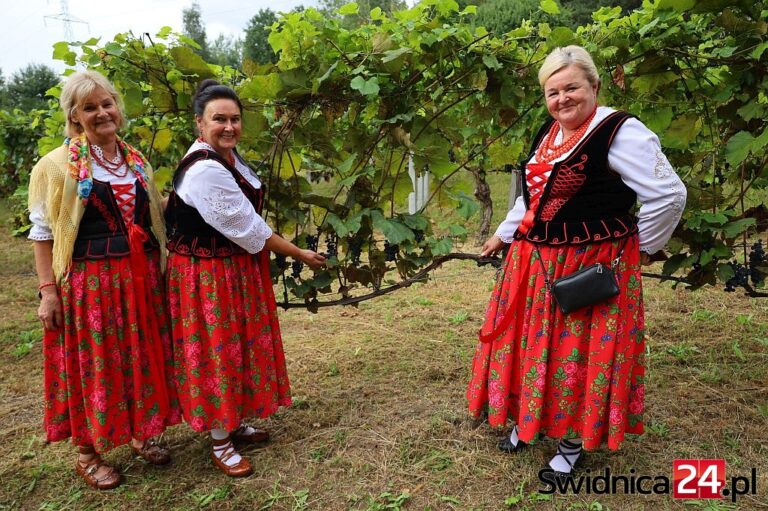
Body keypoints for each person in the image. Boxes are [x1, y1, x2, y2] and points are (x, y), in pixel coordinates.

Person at [467, 46, 686, 478]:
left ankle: (572, 440)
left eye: (571, 88)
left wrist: (643, 248)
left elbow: (670, 194)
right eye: (553, 92)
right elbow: (533, 198)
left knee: (578, 351)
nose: (562, 99)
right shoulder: (549, 132)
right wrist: (502, 234)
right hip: (533, 263)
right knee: (532, 344)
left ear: (594, 86)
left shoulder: (620, 131)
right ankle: (529, 421)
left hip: (588, 264)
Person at [28, 71, 181, 490]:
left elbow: (153, 213)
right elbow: (43, 235)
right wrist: (47, 292)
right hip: (91, 284)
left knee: (140, 355)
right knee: (95, 363)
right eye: (90, 108)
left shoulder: (135, 160)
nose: (101, 113)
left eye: (107, 103)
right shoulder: (56, 166)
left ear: (118, 107)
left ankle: (140, 430)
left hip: (140, 276)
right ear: (74, 116)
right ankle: (87, 453)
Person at [165, 79, 325, 477]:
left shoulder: (227, 158)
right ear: (199, 123)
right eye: (219, 119)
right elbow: (250, 229)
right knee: (217, 350)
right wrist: (300, 253)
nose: (229, 127)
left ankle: (233, 420)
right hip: (208, 276)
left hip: (231, 270)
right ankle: (220, 441)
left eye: (235, 119)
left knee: (237, 346)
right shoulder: (205, 169)